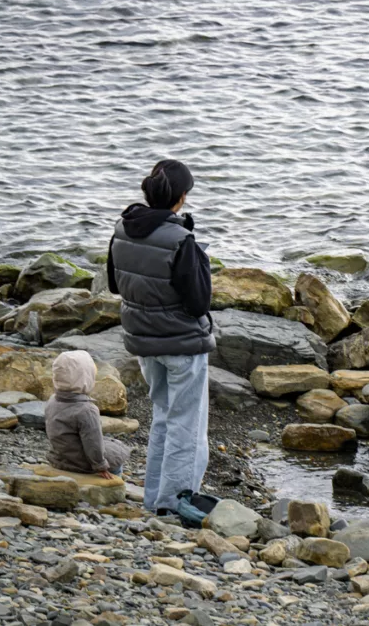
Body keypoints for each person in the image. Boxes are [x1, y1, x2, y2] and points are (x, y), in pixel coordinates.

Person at [106, 159, 214, 513]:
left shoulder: (122, 228)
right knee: (187, 426)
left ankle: (155, 499)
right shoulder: (181, 240)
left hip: (143, 340)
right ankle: (174, 503)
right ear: (181, 198)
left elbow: (113, 283)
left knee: (164, 417)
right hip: (182, 344)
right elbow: (198, 303)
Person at [45, 350, 130, 478]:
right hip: (81, 463)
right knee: (117, 454)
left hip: (60, 457)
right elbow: (93, 442)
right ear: (86, 377)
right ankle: (116, 481)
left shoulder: (53, 400)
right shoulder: (87, 410)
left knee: (106, 443)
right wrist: (101, 466)